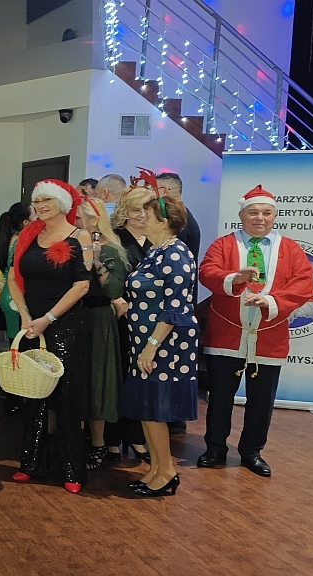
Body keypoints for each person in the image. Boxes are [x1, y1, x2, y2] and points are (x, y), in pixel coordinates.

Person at [197, 185, 313, 478]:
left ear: (274, 216)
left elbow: (304, 284)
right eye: (253, 212)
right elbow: (207, 272)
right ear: (241, 215)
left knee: (262, 401)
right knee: (220, 398)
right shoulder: (223, 245)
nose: (260, 218)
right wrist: (234, 277)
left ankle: (252, 452)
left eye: (266, 213)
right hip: (226, 336)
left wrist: (271, 300)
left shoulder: (290, 248)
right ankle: (215, 448)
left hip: (269, 338)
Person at [6, 179, 92, 494]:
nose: (41, 206)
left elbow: (82, 286)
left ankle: (71, 469)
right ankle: (30, 463)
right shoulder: (28, 235)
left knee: (66, 398)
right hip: (32, 324)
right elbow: (13, 277)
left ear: (63, 204)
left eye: (48, 200)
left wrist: (48, 319)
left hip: (65, 326)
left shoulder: (79, 237)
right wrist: (25, 315)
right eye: (38, 200)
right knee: (33, 395)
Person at [119, 192, 199, 497]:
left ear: (163, 222)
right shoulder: (157, 251)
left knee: (155, 409)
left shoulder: (176, 254)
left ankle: (166, 471)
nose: (142, 219)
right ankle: (156, 468)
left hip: (165, 344)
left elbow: (175, 307)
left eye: (148, 215)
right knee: (146, 408)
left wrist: (151, 345)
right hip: (147, 341)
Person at [103, 186, 155, 462]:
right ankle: (112, 439)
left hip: (150, 323)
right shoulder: (115, 240)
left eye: (147, 209)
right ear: (124, 212)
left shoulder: (157, 240)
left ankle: (137, 436)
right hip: (120, 321)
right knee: (119, 378)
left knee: (142, 380)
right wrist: (116, 299)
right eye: (136, 209)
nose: (142, 215)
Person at [77, 198, 128, 470]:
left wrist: (97, 263)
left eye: (78, 218)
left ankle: (98, 443)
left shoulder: (111, 250)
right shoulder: (74, 244)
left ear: (94, 219)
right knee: (77, 380)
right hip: (74, 316)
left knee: (97, 380)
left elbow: (115, 290)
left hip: (97, 319)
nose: (74, 222)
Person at [155, 172, 201, 436]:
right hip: (178, 307)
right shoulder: (186, 218)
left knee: (170, 365)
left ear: (165, 191)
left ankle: (173, 419)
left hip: (174, 311)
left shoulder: (179, 227)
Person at [0, 203, 35, 335]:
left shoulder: (9, 239)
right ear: (25, 222)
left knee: (14, 338)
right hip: (15, 295)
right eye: (34, 215)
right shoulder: (21, 241)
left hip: (7, 293)